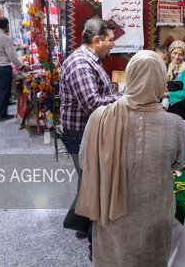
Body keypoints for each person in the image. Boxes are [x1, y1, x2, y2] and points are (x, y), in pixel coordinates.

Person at [76, 50, 185, 266]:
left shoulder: (100, 117)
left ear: (131, 76)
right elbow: (179, 163)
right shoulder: (174, 123)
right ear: (161, 80)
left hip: (111, 213)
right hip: (154, 215)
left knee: (113, 259)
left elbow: (84, 162)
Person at [59, 18, 121, 242]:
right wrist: (125, 98)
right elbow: (92, 104)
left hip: (83, 132)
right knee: (91, 183)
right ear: (97, 40)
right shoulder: (81, 64)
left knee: (86, 180)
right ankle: (90, 235)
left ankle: (81, 225)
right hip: (80, 134)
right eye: (111, 40)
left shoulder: (90, 60)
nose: (113, 44)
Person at [165, 40, 185, 120]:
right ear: (170, 53)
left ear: (183, 55)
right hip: (168, 105)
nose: (177, 57)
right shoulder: (169, 66)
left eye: (180, 54)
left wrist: (166, 94)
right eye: (175, 53)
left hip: (180, 107)